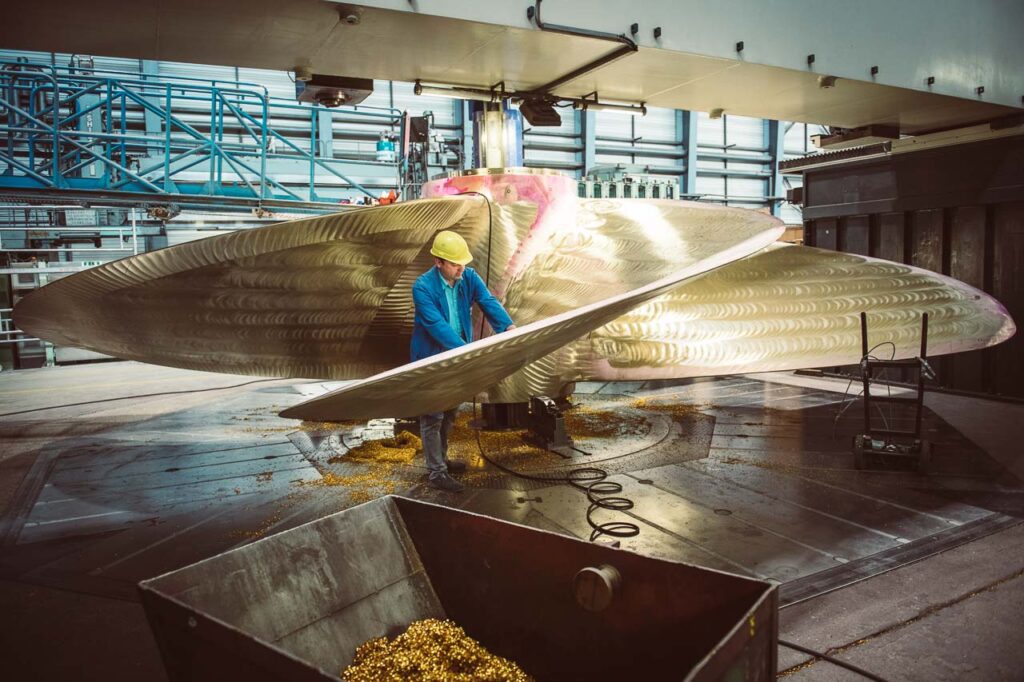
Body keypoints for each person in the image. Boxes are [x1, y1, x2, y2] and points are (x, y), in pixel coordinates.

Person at [411, 230, 516, 492]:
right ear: (438, 262)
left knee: (450, 412)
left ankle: (442, 460)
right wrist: (466, 352)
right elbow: (436, 326)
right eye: (456, 263)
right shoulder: (422, 288)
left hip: (459, 355)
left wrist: (508, 328)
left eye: (463, 262)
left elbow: (487, 301)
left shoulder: (467, 277)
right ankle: (436, 473)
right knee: (432, 416)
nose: (462, 267)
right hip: (433, 357)